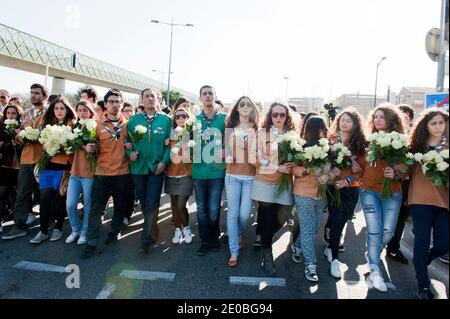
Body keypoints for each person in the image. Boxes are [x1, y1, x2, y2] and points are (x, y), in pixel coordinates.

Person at [360, 103, 406, 292]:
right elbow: (361, 164)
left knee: (387, 232)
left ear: (391, 120)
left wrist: (394, 174)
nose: (378, 120)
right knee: (374, 231)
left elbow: (405, 169)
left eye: (382, 117)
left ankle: (372, 253)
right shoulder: (368, 140)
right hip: (369, 190)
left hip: (392, 193)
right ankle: (374, 270)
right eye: (376, 116)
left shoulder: (402, 141)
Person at [83, 89, 130, 257]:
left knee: (120, 206)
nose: (115, 105)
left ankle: (114, 231)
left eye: (118, 102)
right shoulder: (97, 124)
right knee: (95, 208)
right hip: (102, 174)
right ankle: (92, 240)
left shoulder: (129, 124)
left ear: (122, 104)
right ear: (105, 104)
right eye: (111, 101)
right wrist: (89, 147)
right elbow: (91, 145)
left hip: (123, 173)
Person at [408, 108, 449, 299]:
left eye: (441, 122)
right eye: (434, 123)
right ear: (426, 125)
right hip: (420, 199)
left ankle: (421, 262)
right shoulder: (417, 146)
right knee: (421, 242)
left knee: (443, 245)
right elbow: (405, 169)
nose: (438, 126)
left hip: (444, 202)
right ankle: (423, 286)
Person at [251, 102, 295, 276]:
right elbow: (254, 157)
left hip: (284, 182)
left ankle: (263, 236)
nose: (278, 118)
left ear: (287, 117)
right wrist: (277, 166)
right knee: (267, 214)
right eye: (275, 114)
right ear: (270, 116)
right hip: (264, 181)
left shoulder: (292, 135)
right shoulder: (261, 134)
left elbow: (298, 157)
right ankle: (267, 254)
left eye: (282, 115)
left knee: (284, 214)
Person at [127, 88, 172, 254]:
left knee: (152, 202)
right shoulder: (133, 120)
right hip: (138, 168)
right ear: (142, 100)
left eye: (153, 96)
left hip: (156, 168)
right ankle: (152, 230)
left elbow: (169, 146)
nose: (150, 98)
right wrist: (129, 153)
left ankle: (146, 239)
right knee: (145, 203)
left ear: (158, 99)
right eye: (147, 96)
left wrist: (164, 161)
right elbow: (127, 142)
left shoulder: (166, 120)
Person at [324, 108, 366, 279]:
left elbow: (362, 170)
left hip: (351, 187)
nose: (344, 122)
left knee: (343, 219)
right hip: (333, 187)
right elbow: (324, 163)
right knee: (336, 218)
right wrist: (332, 175)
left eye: (349, 120)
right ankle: (334, 258)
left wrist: (348, 179)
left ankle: (330, 246)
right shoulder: (331, 141)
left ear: (355, 124)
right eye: (342, 119)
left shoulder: (360, 144)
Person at [3, 84, 48, 240]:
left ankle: (46, 226)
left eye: (37, 93)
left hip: (44, 160)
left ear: (44, 97)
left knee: (45, 195)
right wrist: (18, 136)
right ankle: (19, 225)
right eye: (32, 93)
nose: (33, 95)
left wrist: (36, 136)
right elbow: (19, 133)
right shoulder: (26, 114)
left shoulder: (50, 113)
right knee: (22, 193)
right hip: (26, 159)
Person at [29, 97, 77, 244]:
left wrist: (63, 145)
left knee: (59, 199)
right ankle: (42, 231)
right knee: (44, 198)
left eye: (62, 108)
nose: (59, 111)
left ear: (67, 110)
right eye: (56, 108)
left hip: (64, 168)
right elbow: (42, 144)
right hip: (47, 167)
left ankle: (58, 228)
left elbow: (73, 147)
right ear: (52, 110)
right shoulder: (47, 124)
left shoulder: (73, 125)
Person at [292, 116, 330, 282]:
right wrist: (305, 170)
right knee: (308, 228)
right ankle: (311, 265)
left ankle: (297, 245)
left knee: (314, 227)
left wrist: (328, 175)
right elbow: (291, 168)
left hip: (321, 193)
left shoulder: (329, 147)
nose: (324, 131)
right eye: (322, 127)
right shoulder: (300, 146)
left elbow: (334, 169)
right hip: (303, 191)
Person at [192, 85, 227, 256]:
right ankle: (205, 240)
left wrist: (226, 151)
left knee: (214, 207)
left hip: (216, 171)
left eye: (210, 93)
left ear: (215, 96)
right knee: (200, 208)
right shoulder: (194, 120)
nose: (207, 96)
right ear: (200, 98)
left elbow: (232, 142)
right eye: (204, 94)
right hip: (198, 171)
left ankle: (214, 235)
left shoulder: (224, 119)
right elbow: (185, 144)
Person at [224, 96, 259, 268]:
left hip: (250, 177)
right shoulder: (230, 128)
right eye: (241, 104)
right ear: (237, 108)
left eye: (248, 104)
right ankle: (234, 252)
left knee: (245, 215)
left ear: (252, 108)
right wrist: (227, 156)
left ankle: (239, 231)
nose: (245, 107)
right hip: (232, 175)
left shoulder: (259, 129)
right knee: (232, 213)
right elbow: (225, 150)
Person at [386, 104, 415, 265]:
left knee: (401, 219)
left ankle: (393, 248)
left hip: (409, 187)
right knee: (388, 219)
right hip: (391, 185)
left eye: (407, 117)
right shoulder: (387, 138)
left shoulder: (414, 139)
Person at [65, 100, 98, 245]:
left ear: (91, 112)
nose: (82, 113)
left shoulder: (95, 128)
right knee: (70, 204)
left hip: (89, 173)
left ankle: (84, 232)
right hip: (75, 172)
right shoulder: (73, 127)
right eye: (80, 110)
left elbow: (98, 149)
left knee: (87, 205)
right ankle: (75, 229)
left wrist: (92, 147)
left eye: (85, 110)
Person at [166, 106, 194, 245]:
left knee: (181, 204)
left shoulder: (193, 133)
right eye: (177, 116)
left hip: (186, 174)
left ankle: (187, 228)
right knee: (174, 206)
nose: (181, 118)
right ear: (174, 119)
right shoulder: (169, 134)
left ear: (188, 118)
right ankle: (178, 229)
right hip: (171, 173)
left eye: (184, 116)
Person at [0, 104, 24, 232]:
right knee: (2, 194)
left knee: (18, 195)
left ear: (18, 115)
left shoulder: (23, 128)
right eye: (8, 113)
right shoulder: (2, 129)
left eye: (13, 113)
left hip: (20, 166)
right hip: (5, 165)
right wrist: (9, 143)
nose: (10, 115)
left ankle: (19, 221)